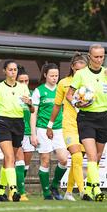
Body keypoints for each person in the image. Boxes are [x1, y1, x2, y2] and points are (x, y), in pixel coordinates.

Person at [66, 44, 107, 201]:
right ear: (89, 57)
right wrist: (78, 103)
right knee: (92, 155)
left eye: (102, 57)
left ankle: (90, 187)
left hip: (103, 118)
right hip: (86, 118)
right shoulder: (81, 74)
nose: (99, 60)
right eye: (96, 57)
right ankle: (98, 190)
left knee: (97, 157)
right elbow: (69, 95)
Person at [0, 60, 33, 202]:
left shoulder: (23, 88)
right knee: (10, 157)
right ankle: (14, 190)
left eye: (15, 70)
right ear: (4, 71)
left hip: (18, 123)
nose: (13, 72)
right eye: (10, 70)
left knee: (8, 160)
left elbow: (32, 110)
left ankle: (0, 192)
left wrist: (30, 104)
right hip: (2, 122)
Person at [49, 53, 88, 201]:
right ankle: (83, 192)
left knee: (78, 160)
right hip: (69, 125)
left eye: (83, 70)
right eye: (78, 70)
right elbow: (57, 106)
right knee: (76, 156)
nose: (80, 73)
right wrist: (50, 125)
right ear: (72, 67)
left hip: (85, 125)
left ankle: (69, 192)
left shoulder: (88, 84)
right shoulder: (64, 83)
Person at [31, 63, 69, 200]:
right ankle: (47, 193)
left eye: (57, 75)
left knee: (64, 160)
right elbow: (33, 113)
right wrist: (33, 134)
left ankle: (54, 185)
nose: (54, 78)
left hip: (59, 129)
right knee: (45, 161)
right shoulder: (39, 91)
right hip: (42, 129)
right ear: (45, 75)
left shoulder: (62, 90)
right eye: (52, 75)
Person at [15, 67, 33, 201]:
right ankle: (21, 192)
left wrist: (30, 104)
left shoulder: (31, 94)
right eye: (21, 81)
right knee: (19, 161)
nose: (24, 83)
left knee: (25, 165)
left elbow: (33, 112)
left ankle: (16, 186)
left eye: (26, 80)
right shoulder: (12, 93)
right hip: (15, 131)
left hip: (28, 133)